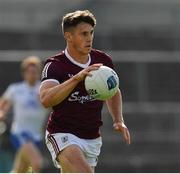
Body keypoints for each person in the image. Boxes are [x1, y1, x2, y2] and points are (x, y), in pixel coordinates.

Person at [39, 10, 131, 173]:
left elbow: (113, 91)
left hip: (92, 137)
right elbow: (46, 99)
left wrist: (118, 119)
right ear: (68, 36)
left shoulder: (103, 61)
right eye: (83, 34)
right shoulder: (55, 65)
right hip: (62, 134)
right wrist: (76, 78)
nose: (89, 38)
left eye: (91, 33)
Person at [0, 56, 47, 173]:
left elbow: (53, 107)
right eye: (30, 72)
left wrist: (45, 102)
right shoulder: (15, 89)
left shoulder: (44, 89)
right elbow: (3, 105)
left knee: (20, 170)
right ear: (24, 73)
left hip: (36, 136)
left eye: (35, 72)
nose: (32, 74)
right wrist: (1, 113)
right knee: (36, 162)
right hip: (20, 133)